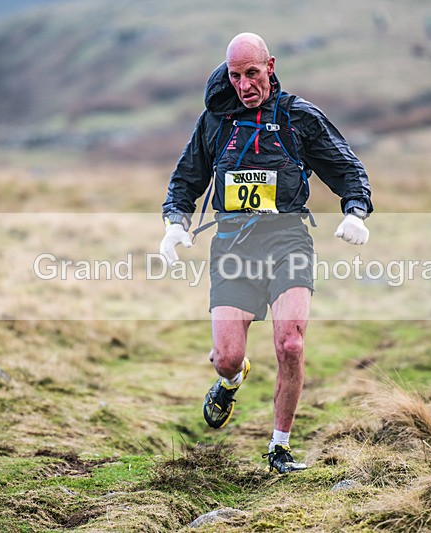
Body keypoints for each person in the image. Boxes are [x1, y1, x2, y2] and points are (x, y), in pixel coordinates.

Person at [159, 32, 372, 474]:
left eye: (253, 73)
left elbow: (347, 168)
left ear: (270, 67)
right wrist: (174, 224)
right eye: (235, 76)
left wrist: (355, 211)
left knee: (291, 344)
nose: (245, 85)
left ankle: (280, 447)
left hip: (287, 240)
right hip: (232, 245)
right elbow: (186, 178)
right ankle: (231, 381)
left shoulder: (299, 118)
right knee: (227, 358)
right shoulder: (215, 121)